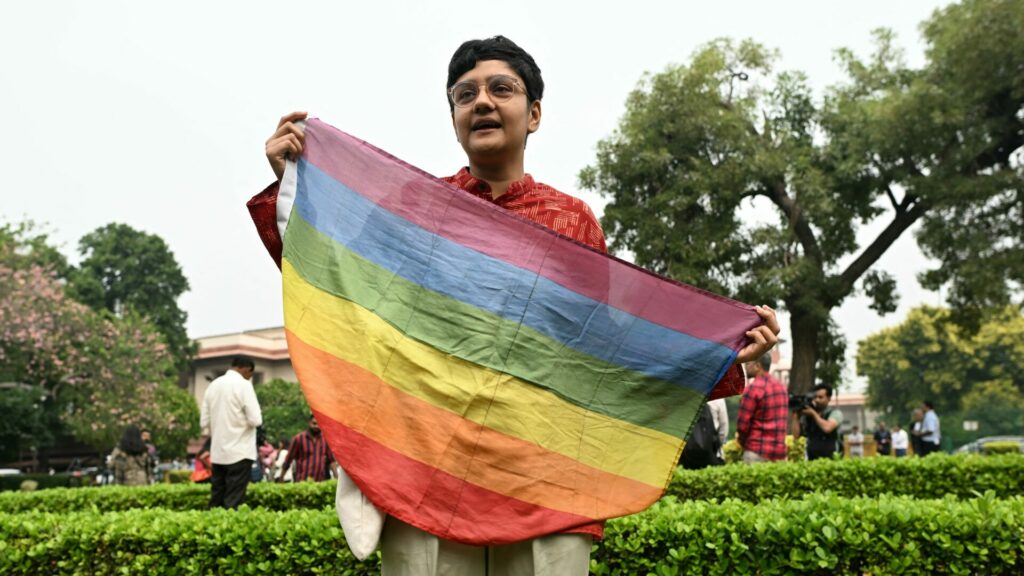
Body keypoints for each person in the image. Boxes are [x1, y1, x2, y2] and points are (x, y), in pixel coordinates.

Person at [250, 35, 781, 575]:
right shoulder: (415, 210)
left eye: (501, 89)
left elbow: (610, 350)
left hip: (542, 478)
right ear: (454, 117)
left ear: (534, 114)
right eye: (464, 94)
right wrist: (296, 185)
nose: (481, 102)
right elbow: (344, 292)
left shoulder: (571, 222)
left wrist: (719, 353)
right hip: (428, 470)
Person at [200, 356, 263, 509]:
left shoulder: (213, 385)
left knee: (217, 498)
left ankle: (212, 529)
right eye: (250, 374)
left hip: (219, 453)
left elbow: (204, 423)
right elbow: (256, 420)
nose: (250, 378)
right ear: (247, 369)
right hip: (240, 452)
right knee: (234, 500)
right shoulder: (244, 385)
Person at [736, 353, 788, 464]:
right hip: (779, 453)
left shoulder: (753, 388)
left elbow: (742, 425)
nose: (746, 367)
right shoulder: (782, 388)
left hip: (756, 451)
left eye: (748, 363)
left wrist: (744, 442)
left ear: (758, 366)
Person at [277, 415, 338, 482]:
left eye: (319, 424)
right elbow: (288, 459)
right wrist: (281, 477)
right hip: (302, 481)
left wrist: (337, 478)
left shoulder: (325, 440)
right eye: (314, 423)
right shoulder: (299, 439)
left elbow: (331, 460)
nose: (316, 426)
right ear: (309, 423)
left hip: (320, 481)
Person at [799, 384, 844, 461]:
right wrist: (795, 415)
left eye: (820, 397)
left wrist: (813, 414)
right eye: (815, 397)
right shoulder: (808, 416)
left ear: (829, 398)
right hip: (812, 460)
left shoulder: (836, 413)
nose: (817, 400)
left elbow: (827, 428)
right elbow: (797, 436)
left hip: (832, 459)